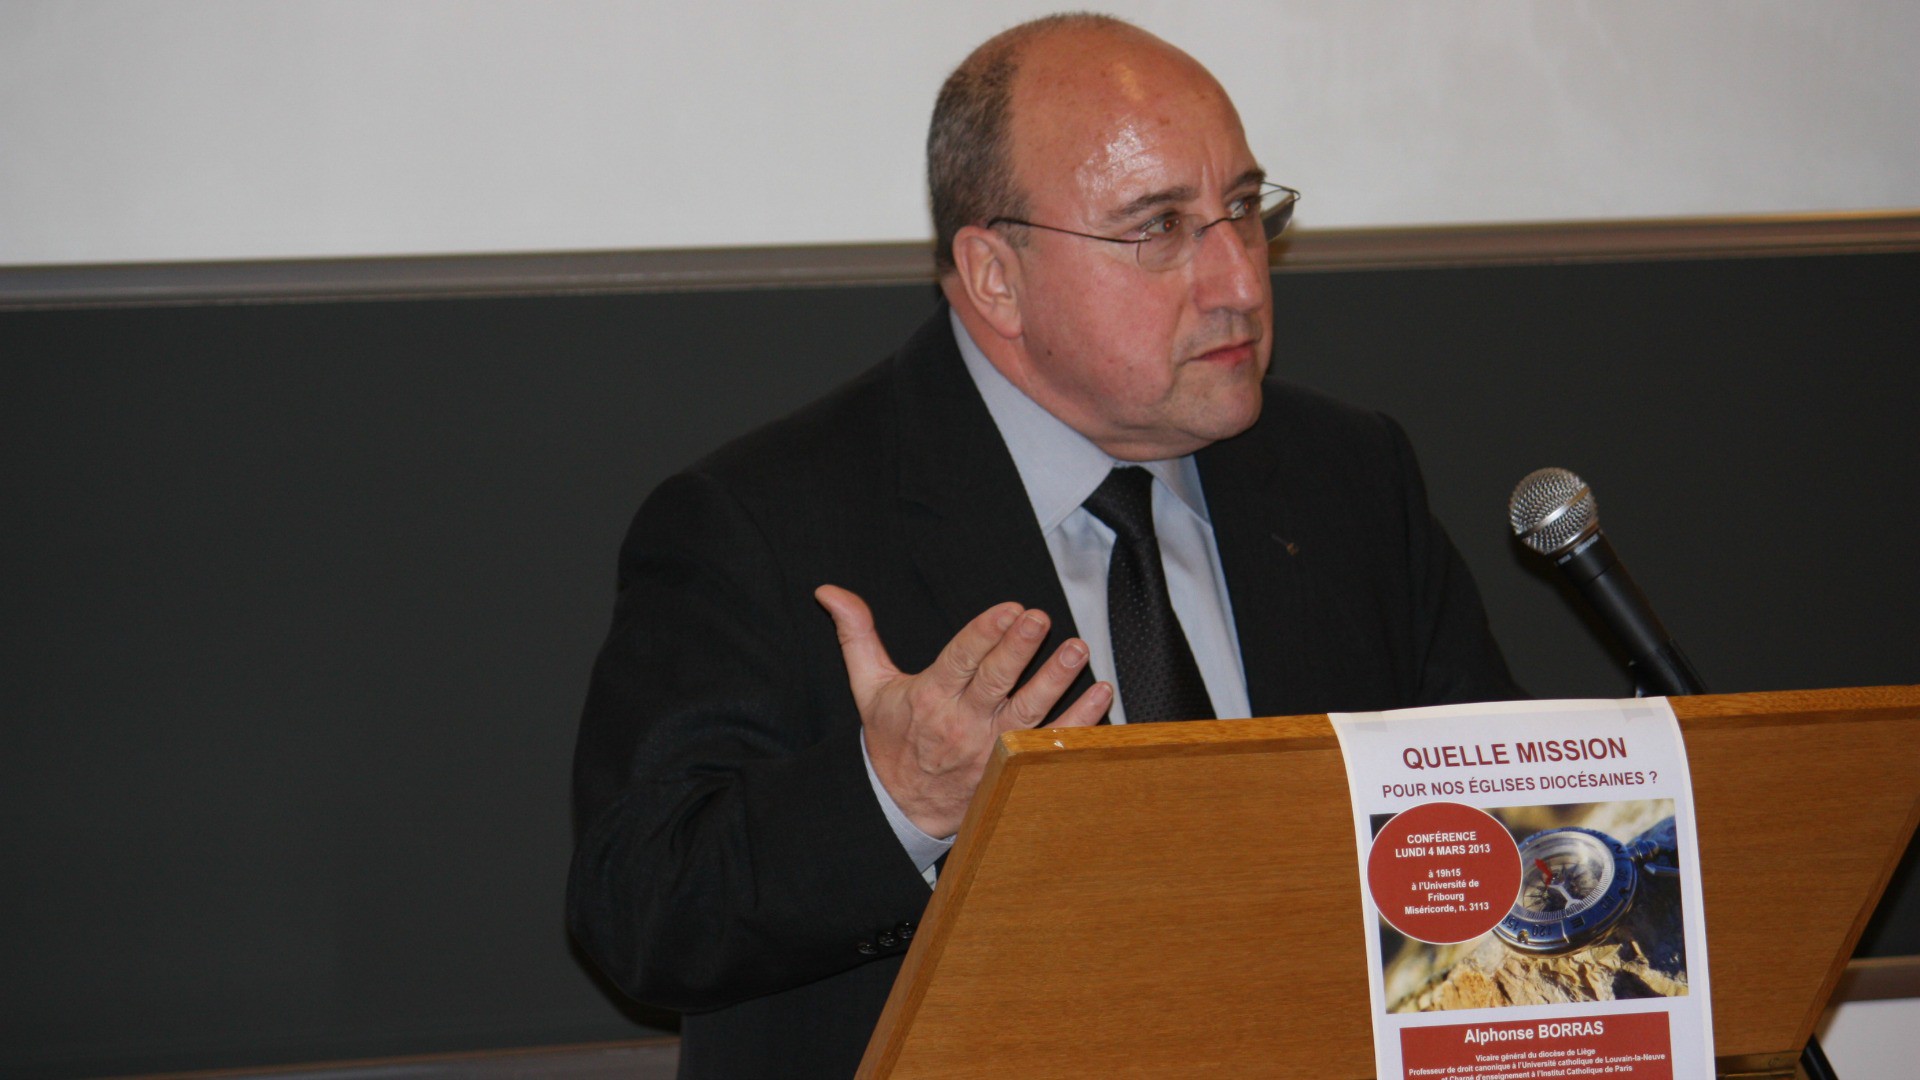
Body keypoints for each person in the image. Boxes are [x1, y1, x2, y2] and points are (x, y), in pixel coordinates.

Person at [568, 13, 1518, 1079]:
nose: (1241, 281)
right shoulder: (768, 522)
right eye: (1158, 227)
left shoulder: (1350, 477)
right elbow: (639, 910)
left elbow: (1496, 823)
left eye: (1244, 211)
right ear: (995, 277)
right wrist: (899, 797)